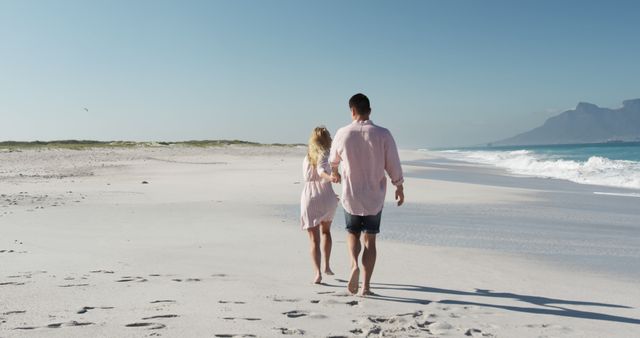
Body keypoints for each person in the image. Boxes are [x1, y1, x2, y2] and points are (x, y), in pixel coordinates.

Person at [329, 93, 404, 296]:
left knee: (352, 233)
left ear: (352, 111)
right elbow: (393, 163)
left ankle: (353, 265)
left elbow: (333, 160)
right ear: (369, 111)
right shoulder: (383, 134)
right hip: (374, 196)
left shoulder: (342, 133)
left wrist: (335, 172)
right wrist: (399, 185)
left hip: (351, 194)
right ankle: (366, 286)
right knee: (370, 239)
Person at [300, 126, 340, 284]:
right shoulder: (327, 154)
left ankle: (317, 273)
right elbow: (322, 170)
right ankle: (327, 266)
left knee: (313, 239)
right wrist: (331, 178)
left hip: (310, 196)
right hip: (326, 195)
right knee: (326, 232)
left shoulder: (307, 157)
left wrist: (329, 176)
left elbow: (319, 170)